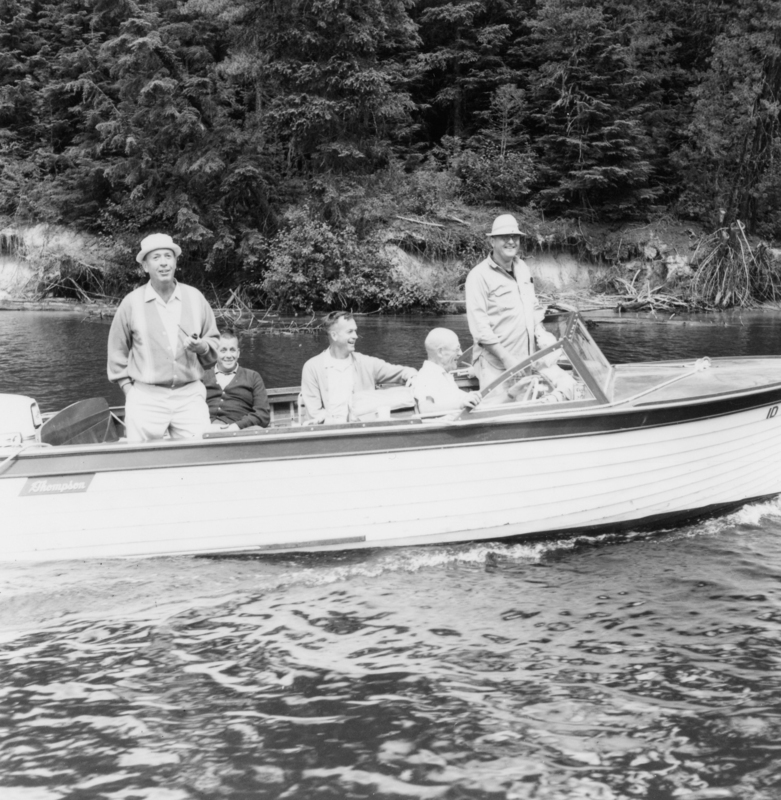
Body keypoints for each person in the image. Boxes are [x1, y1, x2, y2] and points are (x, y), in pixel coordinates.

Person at [107, 233, 219, 442]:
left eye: (168, 256)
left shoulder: (196, 298)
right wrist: (129, 390)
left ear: (176, 262)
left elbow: (214, 343)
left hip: (190, 396)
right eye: (156, 257)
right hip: (145, 397)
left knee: (200, 456)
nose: (163, 263)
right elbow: (116, 352)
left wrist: (202, 347)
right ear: (145, 266)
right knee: (141, 463)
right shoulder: (131, 303)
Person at [465, 214, 556, 389]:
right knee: (498, 413)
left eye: (515, 236)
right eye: (504, 237)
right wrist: (507, 359)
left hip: (526, 362)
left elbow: (533, 306)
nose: (511, 241)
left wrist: (541, 332)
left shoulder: (522, 268)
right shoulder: (478, 276)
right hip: (496, 367)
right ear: (492, 241)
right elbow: (480, 329)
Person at [301, 311, 417, 424]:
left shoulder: (366, 363)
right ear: (334, 336)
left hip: (363, 431)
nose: (356, 336)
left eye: (355, 331)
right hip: (329, 433)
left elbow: (402, 372)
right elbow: (314, 414)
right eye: (350, 331)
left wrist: (412, 376)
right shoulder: (312, 367)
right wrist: (340, 425)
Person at [203, 328, 270, 431]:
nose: (228, 355)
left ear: (238, 353)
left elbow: (263, 415)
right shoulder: (203, 377)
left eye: (232, 350)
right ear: (216, 352)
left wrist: (236, 427)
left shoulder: (253, 376)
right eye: (223, 350)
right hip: (206, 430)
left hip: (240, 433)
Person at [413, 328, 482, 414]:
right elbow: (425, 409)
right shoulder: (428, 375)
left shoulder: (442, 373)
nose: (461, 353)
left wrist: (471, 396)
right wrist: (460, 405)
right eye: (457, 349)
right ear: (440, 352)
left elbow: (453, 395)